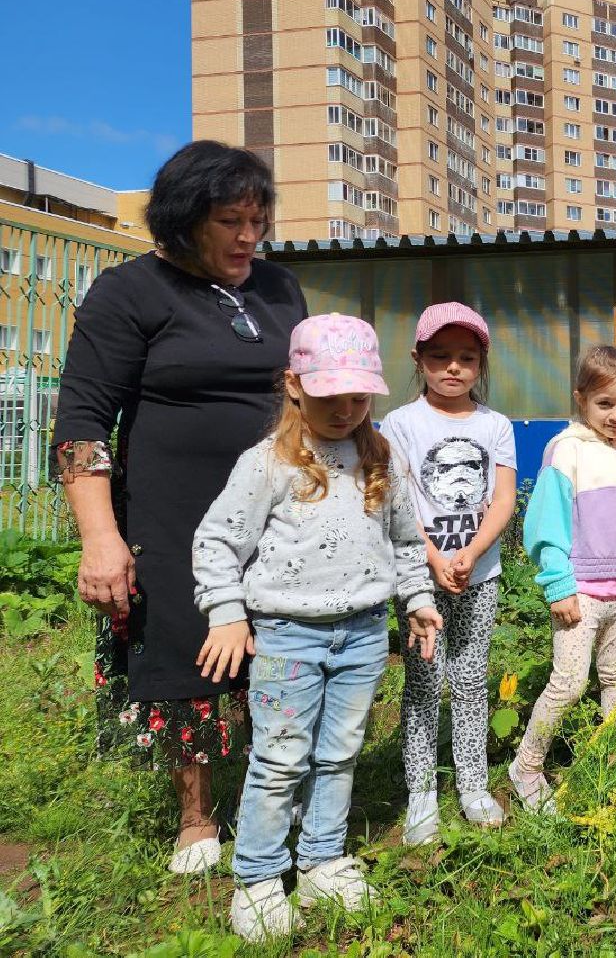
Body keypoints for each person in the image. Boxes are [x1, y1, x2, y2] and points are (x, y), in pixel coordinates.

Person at [53, 140, 307, 874]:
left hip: (279, 510)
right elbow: (81, 425)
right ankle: (196, 819)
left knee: (283, 647)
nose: (248, 236)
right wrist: (101, 539)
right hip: (172, 513)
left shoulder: (279, 288)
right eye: (230, 220)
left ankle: (280, 791)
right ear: (184, 219)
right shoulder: (130, 291)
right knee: (182, 647)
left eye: (257, 219)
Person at [192, 313, 440, 942]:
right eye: (330, 395)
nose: (346, 409)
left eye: (359, 396)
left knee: (339, 754)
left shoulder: (380, 457)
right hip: (285, 637)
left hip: (360, 635)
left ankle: (324, 858)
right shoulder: (267, 464)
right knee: (278, 761)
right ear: (295, 386)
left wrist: (417, 599)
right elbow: (218, 542)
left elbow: (408, 543)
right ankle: (258, 877)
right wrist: (226, 611)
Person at [379, 302, 517, 841]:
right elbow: (398, 497)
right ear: (419, 360)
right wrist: (434, 557)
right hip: (418, 579)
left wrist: (473, 551)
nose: (453, 368)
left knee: (470, 678)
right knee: (421, 682)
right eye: (440, 357)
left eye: (466, 357)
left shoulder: (495, 425)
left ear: (481, 362)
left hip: (480, 575)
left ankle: (474, 783)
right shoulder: (400, 423)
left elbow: (502, 498)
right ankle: (420, 794)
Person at [507, 346, 616, 810]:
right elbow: (547, 524)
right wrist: (558, 584)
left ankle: (613, 764)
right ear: (580, 399)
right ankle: (526, 766)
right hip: (581, 592)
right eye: (604, 404)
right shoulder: (567, 450)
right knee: (569, 683)